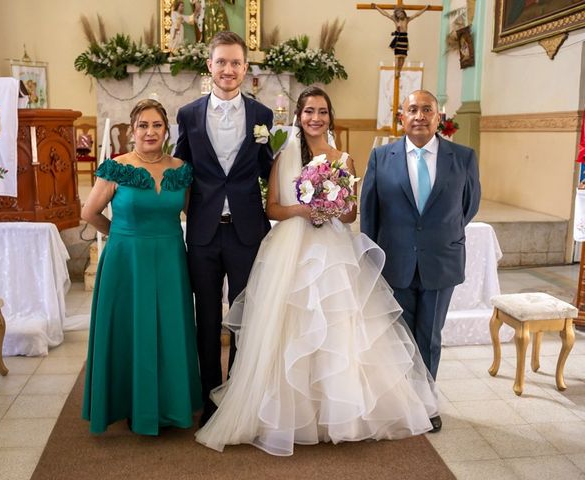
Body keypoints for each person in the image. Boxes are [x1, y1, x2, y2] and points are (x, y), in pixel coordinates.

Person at [195, 86, 439, 456]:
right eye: (309, 111)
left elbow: (351, 214)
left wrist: (331, 207)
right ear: (299, 115)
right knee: (292, 328)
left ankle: (335, 413)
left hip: (333, 251)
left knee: (338, 327)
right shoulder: (285, 154)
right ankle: (288, 414)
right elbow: (273, 208)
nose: (315, 118)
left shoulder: (343, 159)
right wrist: (304, 211)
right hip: (292, 249)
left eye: (322, 112)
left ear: (330, 116)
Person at [360, 90, 481, 432]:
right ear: (401, 117)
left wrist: (437, 234)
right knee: (397, 336)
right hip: (395, 260)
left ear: (438, 117)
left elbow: (468, 206)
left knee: (429, 336)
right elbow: (370, 213)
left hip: (441, 260)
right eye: (412, 109)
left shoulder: (463, 157)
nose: (419, 116)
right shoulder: (382, 157)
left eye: (426, 109)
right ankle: (400, 402)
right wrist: (373, 257)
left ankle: (426, 405)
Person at [81, 99, 202, 435]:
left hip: (170, 258)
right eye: (143, 126)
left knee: (169, 327)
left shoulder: (182, 170)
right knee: (130, 328)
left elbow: (192, 214)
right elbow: (89, 213)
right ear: (132, 131)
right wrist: (120, 235)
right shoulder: (115, 168)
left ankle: (170, 404)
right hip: (126, 260)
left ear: (167, 131)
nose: (150, 132)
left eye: (157, 126)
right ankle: (130, 404)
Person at [174, 31, 274, 428]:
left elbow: (271, 168)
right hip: (202, 231)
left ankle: (236, 392)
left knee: (244, 315)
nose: (228, 69)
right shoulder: (188, 114)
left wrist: (312, 186)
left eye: (235, 62)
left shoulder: (263, 116)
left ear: (245, 68)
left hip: (248, 231)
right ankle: (208, 395)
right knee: (207, 317)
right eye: (221, 62)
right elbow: (179, 168)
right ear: (209, 66)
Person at [373, 4, 429, 78]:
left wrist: (425, 8)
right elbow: (385, 14)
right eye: (399, 13)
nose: (400, 14)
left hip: (404, 39)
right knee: (397, 56)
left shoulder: (407, 19)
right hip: (398, 39)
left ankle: (399, 70)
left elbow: (417, 14)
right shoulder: (395, 20)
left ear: (404, 13)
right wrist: (377, 7)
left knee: (403, 56)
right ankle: (396, 71)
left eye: (401, 13)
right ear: (396, 15)